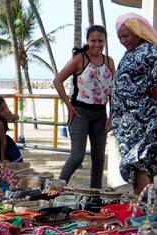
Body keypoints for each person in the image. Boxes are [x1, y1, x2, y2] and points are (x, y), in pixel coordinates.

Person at [111, 13, 157, 195]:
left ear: (138, 32)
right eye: (120, 37)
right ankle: (147, 204)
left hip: (140, 118)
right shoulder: (133, 52)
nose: (123, 40)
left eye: (126, 35)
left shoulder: (147, 50)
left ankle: (141, 204)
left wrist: (154, 86)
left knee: (139, 160)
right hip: (129, 119)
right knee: (142, 160)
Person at [54, 25, 115, 189]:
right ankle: (56, 189)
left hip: (100, 114)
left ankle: (95, 196)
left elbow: (112, 92)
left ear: (105, 41)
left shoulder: (109, 62)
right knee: (77, 156)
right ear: (88, 41)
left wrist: (112, 116)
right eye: (93, 40)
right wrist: (68, 105)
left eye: (100, 41)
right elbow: (57, 81)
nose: (97, 44)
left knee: (99, 159)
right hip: (79, 112)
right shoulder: (80, 59)